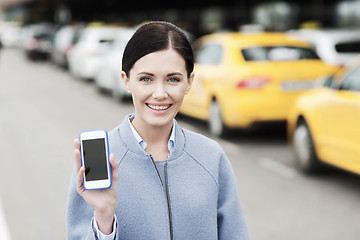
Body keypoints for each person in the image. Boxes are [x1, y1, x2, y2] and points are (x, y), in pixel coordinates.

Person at [67, 21, 249, 240]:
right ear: (126, 81)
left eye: (173, 79)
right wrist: (104, 221)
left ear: (189, 82)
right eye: (146, 79)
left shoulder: (211, 156)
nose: (160, 93)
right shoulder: (100, 161)